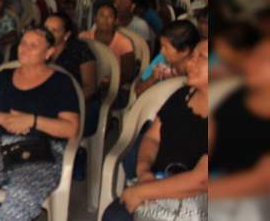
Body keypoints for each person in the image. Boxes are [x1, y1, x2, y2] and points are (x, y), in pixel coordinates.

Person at [0, 28, 80, 221]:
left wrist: (32, 120)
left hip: (42, 152)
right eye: (23, 43)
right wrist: (5, 119)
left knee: (21, 195)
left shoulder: (61, 82)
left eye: (33, 46)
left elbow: (71, 129)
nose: (24, 49)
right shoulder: (4, 76)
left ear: (49, 53)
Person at [101, 40, 208, 221]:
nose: (189, 63)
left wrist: (141, 192)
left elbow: (201, 180)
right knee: (114, 215)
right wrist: (144, 173)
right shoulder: (182, 95)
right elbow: (152, 138)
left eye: (202, 57)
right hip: (157, 183)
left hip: (198, 202)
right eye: (192, 56)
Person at [209, 39, 270, 201]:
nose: (252, 63)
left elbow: (259, 182)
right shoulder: (236, 96)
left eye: (264, 59)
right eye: (253, 55)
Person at [44, 13, 98, 136]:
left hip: (79, 103)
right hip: (48, 101)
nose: (48, 34)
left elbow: (90, 87)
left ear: (66, 35)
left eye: (54, 30)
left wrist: (64, 104)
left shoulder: (80, 50)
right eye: (46, 29)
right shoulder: (39, 48)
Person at [134, 20, 200, 97]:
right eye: (161, 46)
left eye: (166, 47)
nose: (161, 51)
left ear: (184, 51)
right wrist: (153, 78)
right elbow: (138, 91)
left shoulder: (199, 71)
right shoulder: (161, 59)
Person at [80, 4, 137, 86]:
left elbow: (128, 73)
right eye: (102, 16)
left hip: (114, 84)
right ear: (95, 19)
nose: (105, 20)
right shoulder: (84, 37)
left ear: (116, 20)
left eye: (110, 16)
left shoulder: (124, 42)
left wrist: (111, 83)